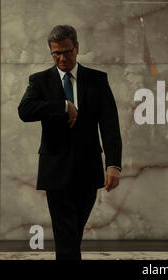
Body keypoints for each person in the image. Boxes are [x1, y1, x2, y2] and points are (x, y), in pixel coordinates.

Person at [18, 25, 122, 260]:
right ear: (51, 52)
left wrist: (113, 164)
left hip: (88, 167)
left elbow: (110, 125)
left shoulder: (97, 79)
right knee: (65, 233)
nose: (62, 58)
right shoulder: (40, 81)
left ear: (77, 48)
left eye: (67, 52)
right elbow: (24, 111)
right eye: (56, 53)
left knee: (73, 232)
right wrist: (63, 106)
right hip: (55, 169)